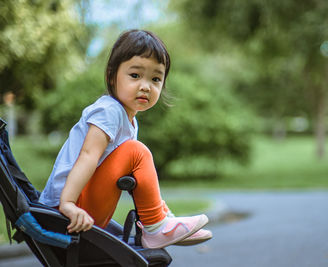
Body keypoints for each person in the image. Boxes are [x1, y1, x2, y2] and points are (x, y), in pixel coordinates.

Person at [39, 29, 212, 249]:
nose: (146, 86)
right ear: (112, 76)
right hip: (64, 211)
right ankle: (156, 227)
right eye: (135, 75)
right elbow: (88, 155)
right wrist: (68, 204)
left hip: (82, 207)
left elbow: (136, 181)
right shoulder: (109, 110)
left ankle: (161, 220)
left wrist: (160, 207)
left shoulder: (128, 120)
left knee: (135, 154)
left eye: (156, 78)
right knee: (136, 151)